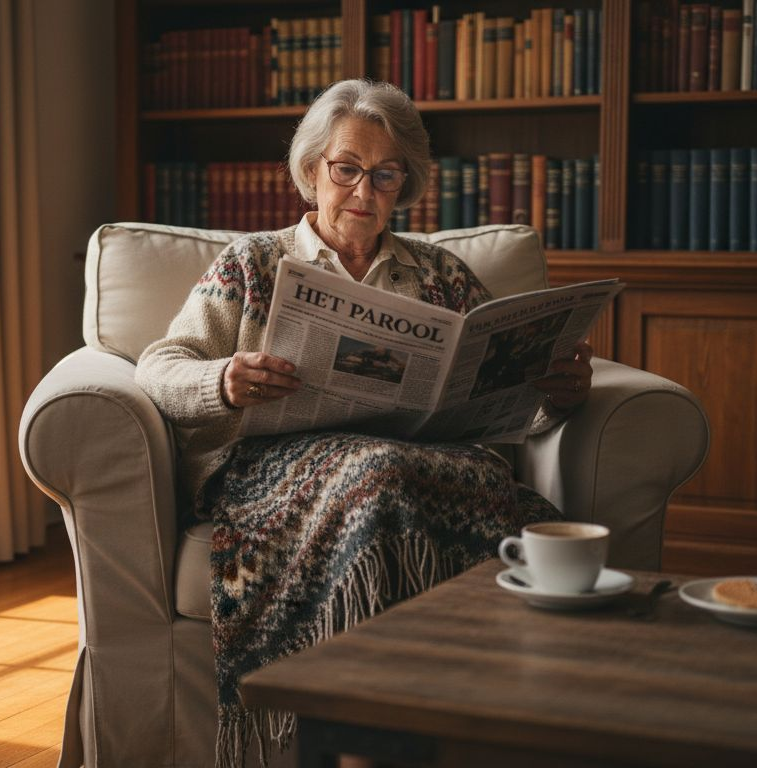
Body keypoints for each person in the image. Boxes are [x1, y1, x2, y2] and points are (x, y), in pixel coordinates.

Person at [135, 78, 594, 768]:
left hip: (426, 458)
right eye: (346, 169)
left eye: (385, 175)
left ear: (403, 183)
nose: (362, 191)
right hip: (280, 466)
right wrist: (221, 380)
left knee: (399, 475)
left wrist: (557, 392)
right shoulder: (255, 264)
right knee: (377, 478)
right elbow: (159, 363)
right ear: (312, 169)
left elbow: (501, 391)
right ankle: (374, 736)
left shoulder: (441, 274)